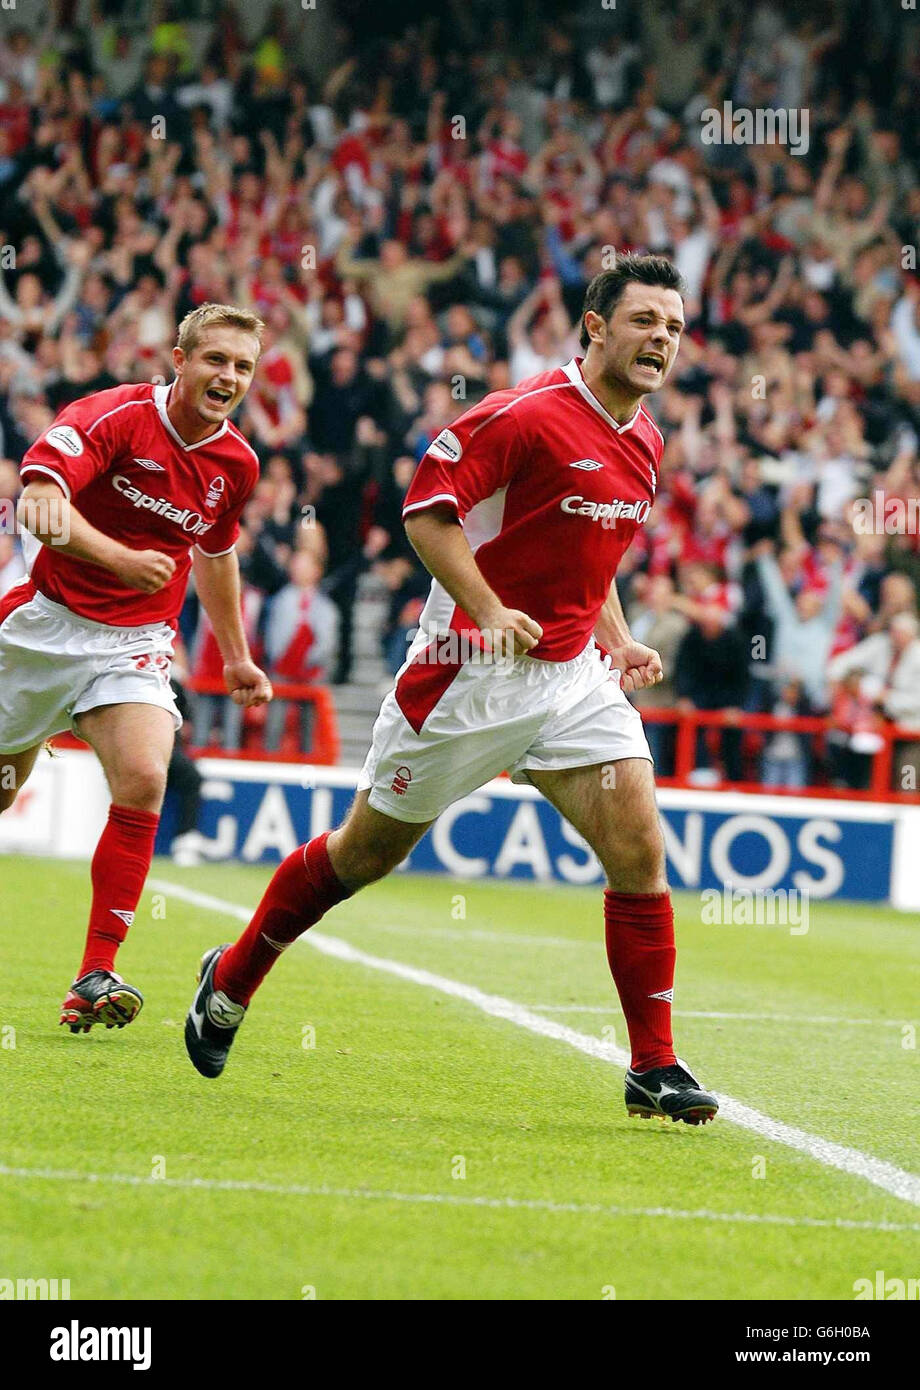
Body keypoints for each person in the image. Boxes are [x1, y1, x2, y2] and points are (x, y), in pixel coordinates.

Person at [185, 255, 720, 1126]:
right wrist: (488, 608)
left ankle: (653, 1065)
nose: (661, 338)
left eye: (672, 325)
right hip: (468, 672)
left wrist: (619, 643)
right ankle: (232, 977)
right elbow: (426, 512)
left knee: (639, 850)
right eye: (643, 321)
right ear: (594, 326)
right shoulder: (522, 415)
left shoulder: (647, 440)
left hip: (573, 678)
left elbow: (597, 551)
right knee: (363, 856)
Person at [0, 303, 273, 1033]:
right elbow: (36, 504)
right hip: (42, 629)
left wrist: (239, 654)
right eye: (216, 359)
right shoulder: (112, 415)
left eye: (243, 366)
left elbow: (215, 554)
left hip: (134, 644)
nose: (229, 376)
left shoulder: (237, 463)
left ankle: (94, 972)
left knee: (147, 777)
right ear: (179, 360)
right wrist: (120, 558)